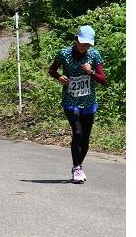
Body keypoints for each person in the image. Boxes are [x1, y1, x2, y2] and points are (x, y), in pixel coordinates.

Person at [48, 25, 107, 184]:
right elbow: (52, 71)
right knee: (78, 133)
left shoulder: (94, 55)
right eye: (82, 43)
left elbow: (103, 80)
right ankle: (76, 167)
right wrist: (59, 77)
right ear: (76, 39)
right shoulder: (64, 54)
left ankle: (79, 166)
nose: (84, 47)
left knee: (86, 137)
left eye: (87, 44)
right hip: (70, 99)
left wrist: (91, 72)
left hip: (88, 101)